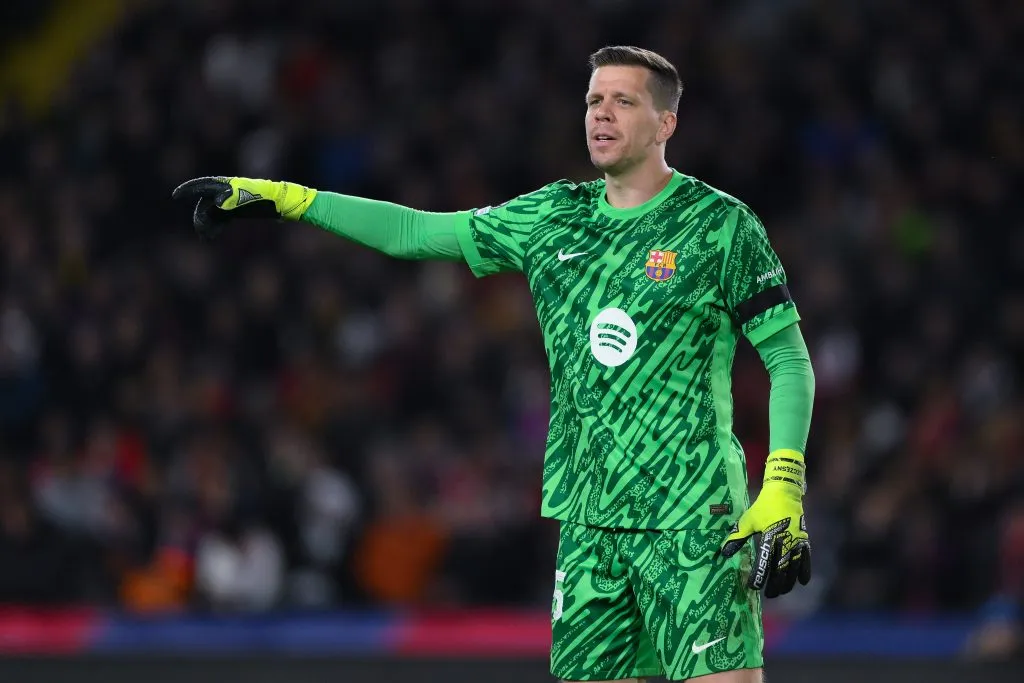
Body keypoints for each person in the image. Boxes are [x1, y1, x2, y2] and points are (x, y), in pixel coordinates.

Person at [173, 45, 815, 683]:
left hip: (694, 517)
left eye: (624, 101)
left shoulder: (721, 227)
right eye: (594, 100)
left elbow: (787, 357)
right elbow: (414, 233)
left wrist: (783, 480)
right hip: (589, 523)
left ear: (665, 123)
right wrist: (288, 197)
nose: (602, 114)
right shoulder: (552, 216)